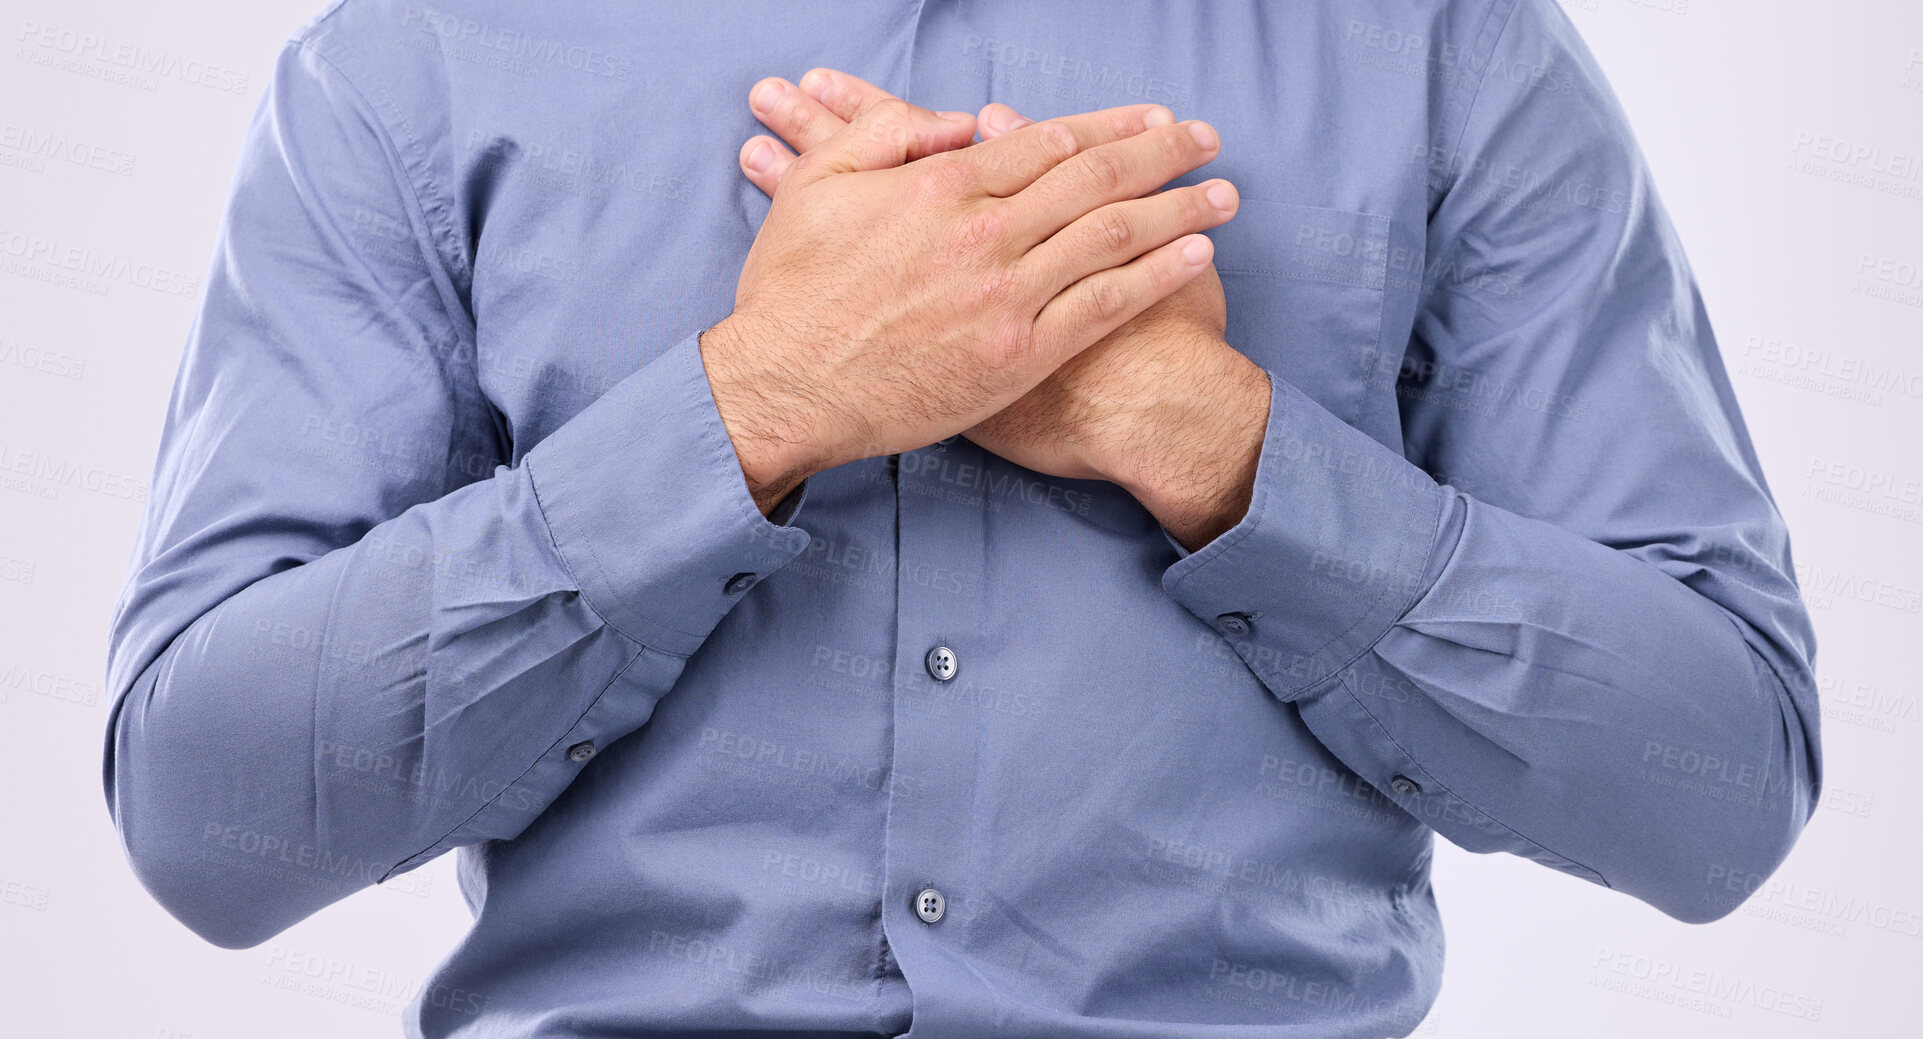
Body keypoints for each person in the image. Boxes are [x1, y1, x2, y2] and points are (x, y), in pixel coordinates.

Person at [102, 1, 1820, 1036]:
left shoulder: (1440, 43)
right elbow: (208, 818)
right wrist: (758, 407)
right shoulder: (418, 52)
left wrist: (1226, 450)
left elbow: (1720, 788)